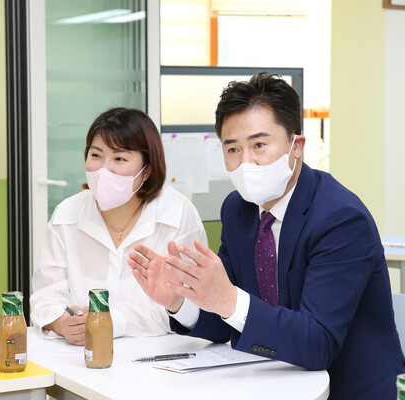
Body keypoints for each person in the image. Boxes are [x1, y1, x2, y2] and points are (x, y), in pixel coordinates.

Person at [129, 73, 405, 399]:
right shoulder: (237, 209)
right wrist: (179, 301)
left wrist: (229, 299)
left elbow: (319, 343)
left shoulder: (340, 219)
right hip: (270, 380)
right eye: (232, 149)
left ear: (296, 146)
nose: (246, 162)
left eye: (259, 145)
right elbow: (226, 321)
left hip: (347, 388)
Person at [30, 107, 207, 345]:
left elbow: (188, 306)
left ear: (147, 171)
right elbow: (45, 294)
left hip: (158, 358)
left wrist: (112, 321)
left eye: (120, 159)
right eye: (96, 155)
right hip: (79, 356)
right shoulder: (67, 214)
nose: (104, 169)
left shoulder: (177, 214)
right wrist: (62, 322)